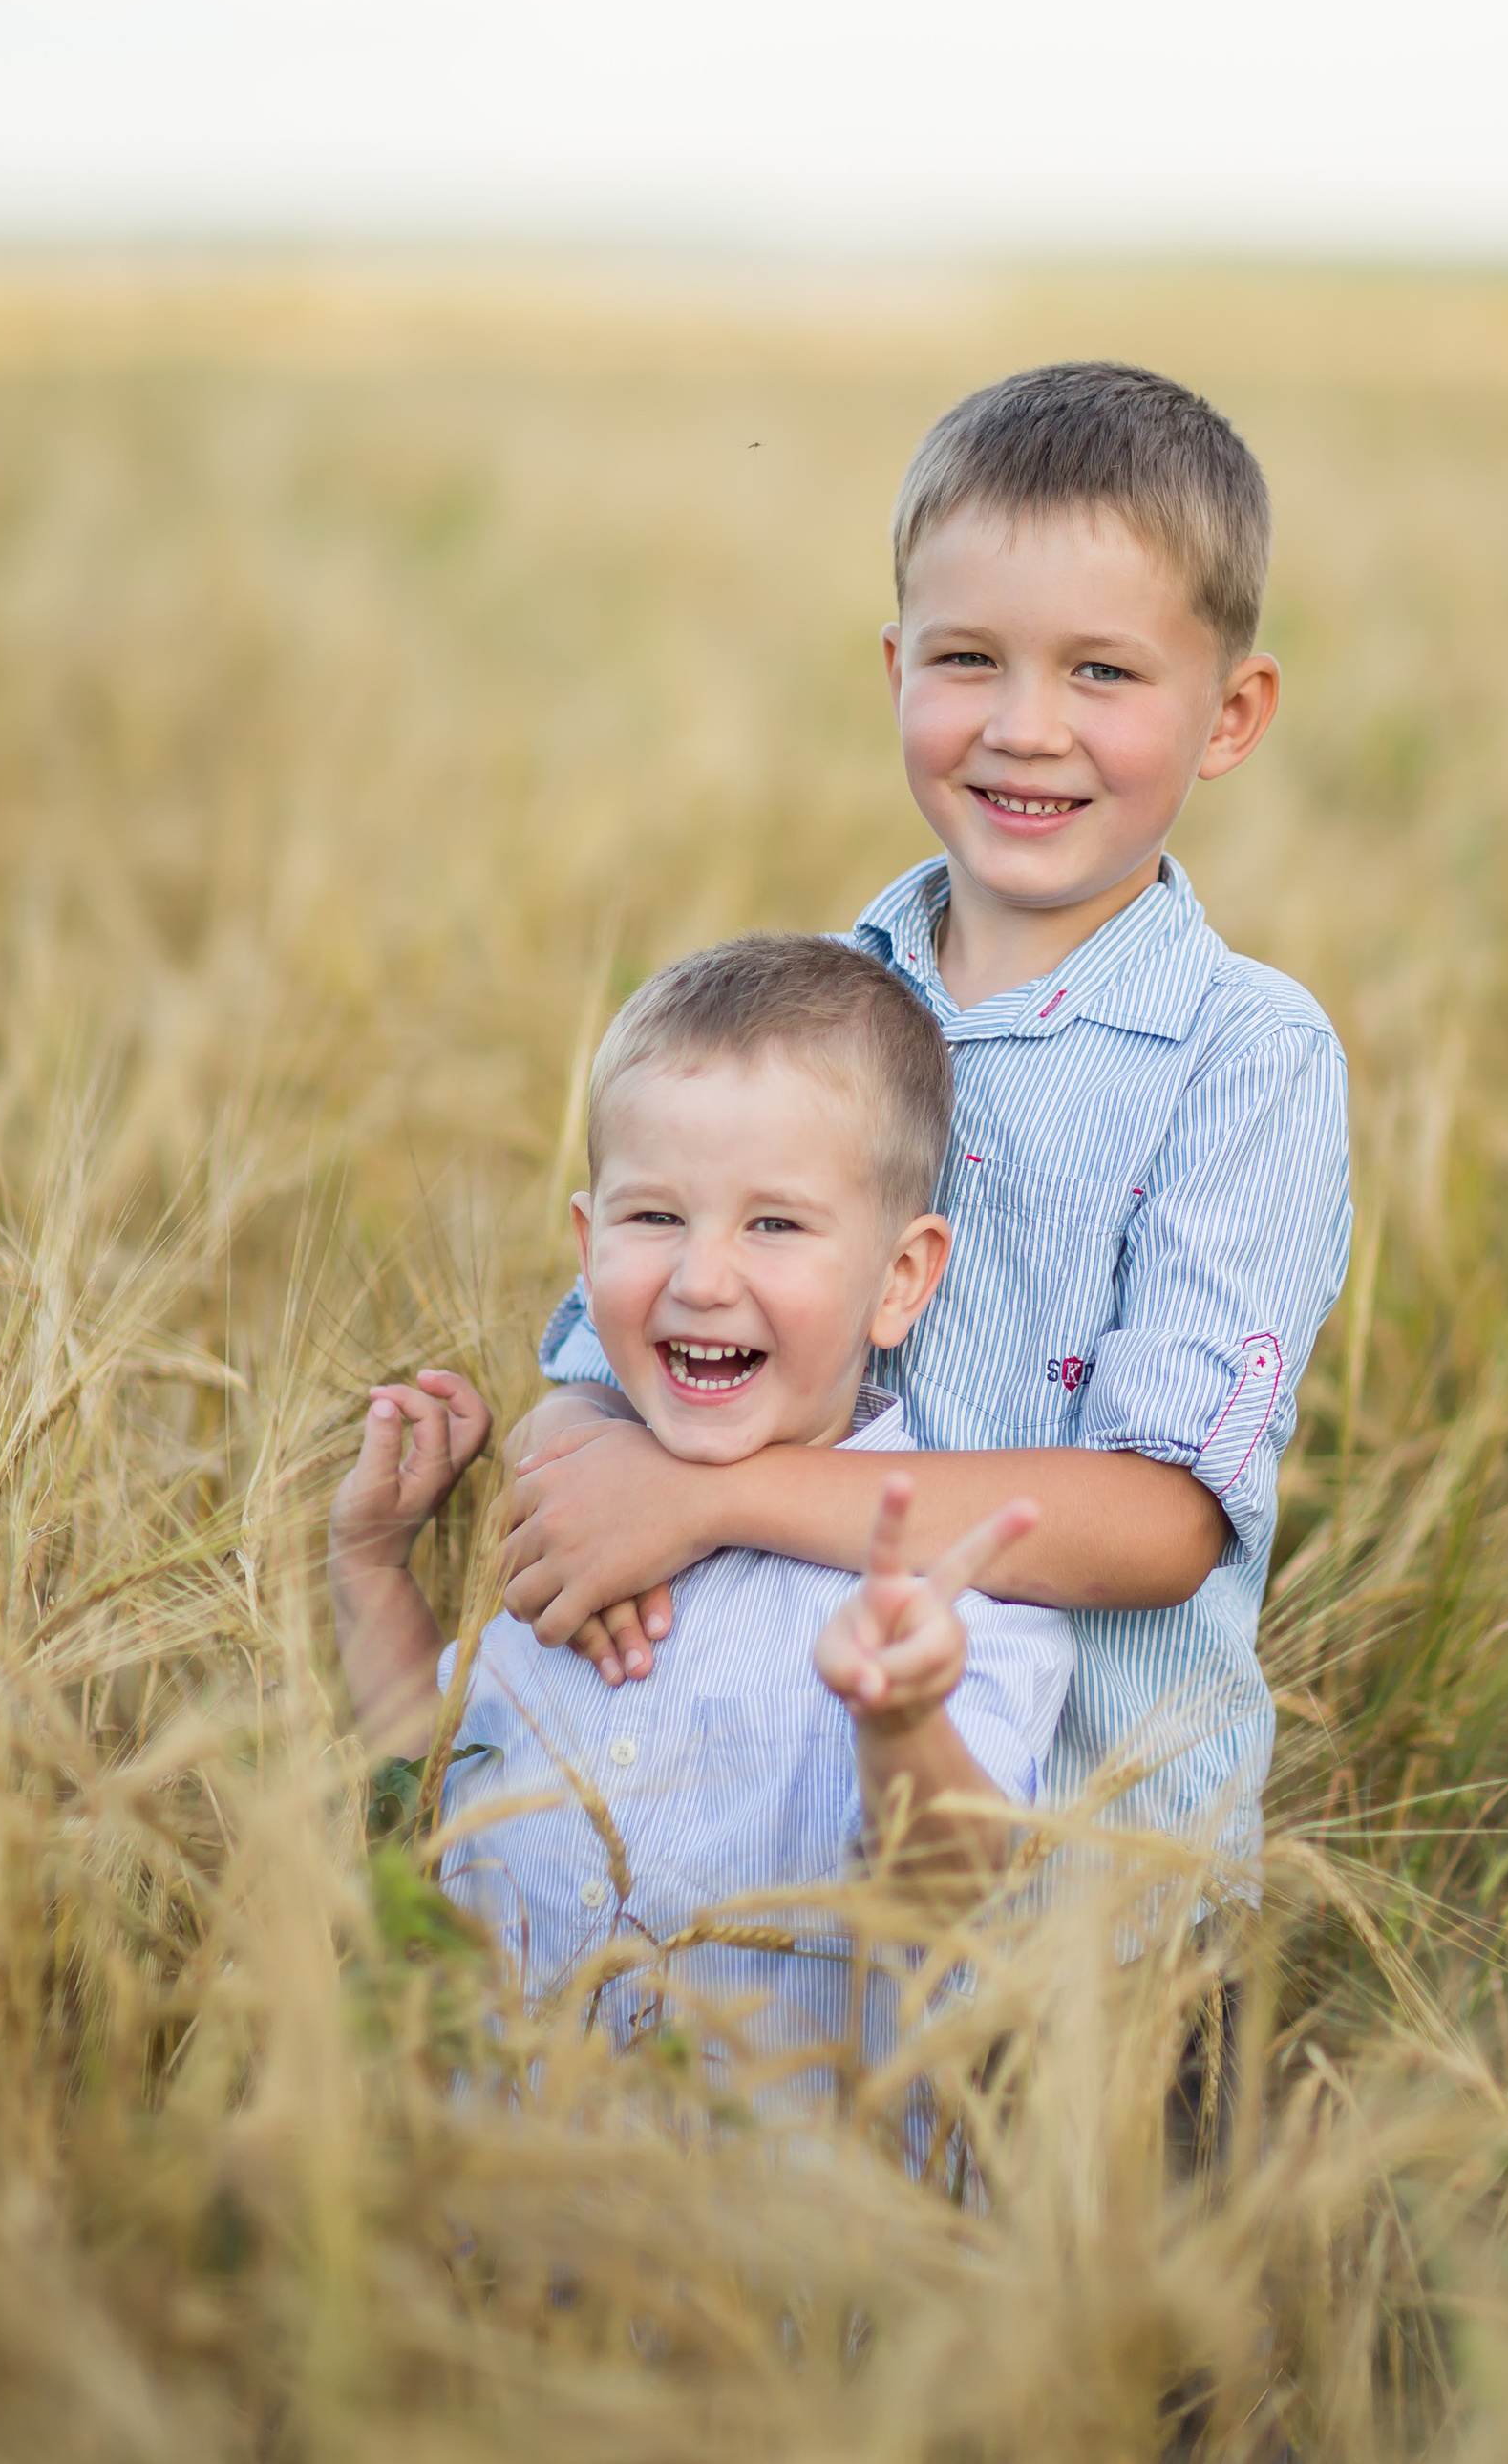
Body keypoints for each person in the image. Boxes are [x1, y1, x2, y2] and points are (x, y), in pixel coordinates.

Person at [503, 359, 1352, 1880]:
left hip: (1087, 1916)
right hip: (764, 1875)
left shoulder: (1246, 1056)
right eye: (970, 660)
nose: (1027, 728)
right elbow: (600, 1363)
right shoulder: (814, 1010)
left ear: (1232, 715)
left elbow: (1161, 1526)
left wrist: (713, 1503)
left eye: (1103, 673)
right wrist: (586, 1474)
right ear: (894, 670)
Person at [328, 934, 1073, 2065]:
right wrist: (373, 1571)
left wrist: (902, 1720)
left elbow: (949, 1899)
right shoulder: (567, 1519)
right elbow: (433, 1784)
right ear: (586, 1251)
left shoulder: (949, 1583)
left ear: (901, 1279)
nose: (700, 1278)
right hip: (501, 2202)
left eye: (773, 1224)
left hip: (780, 2220)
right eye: (654, 1218)